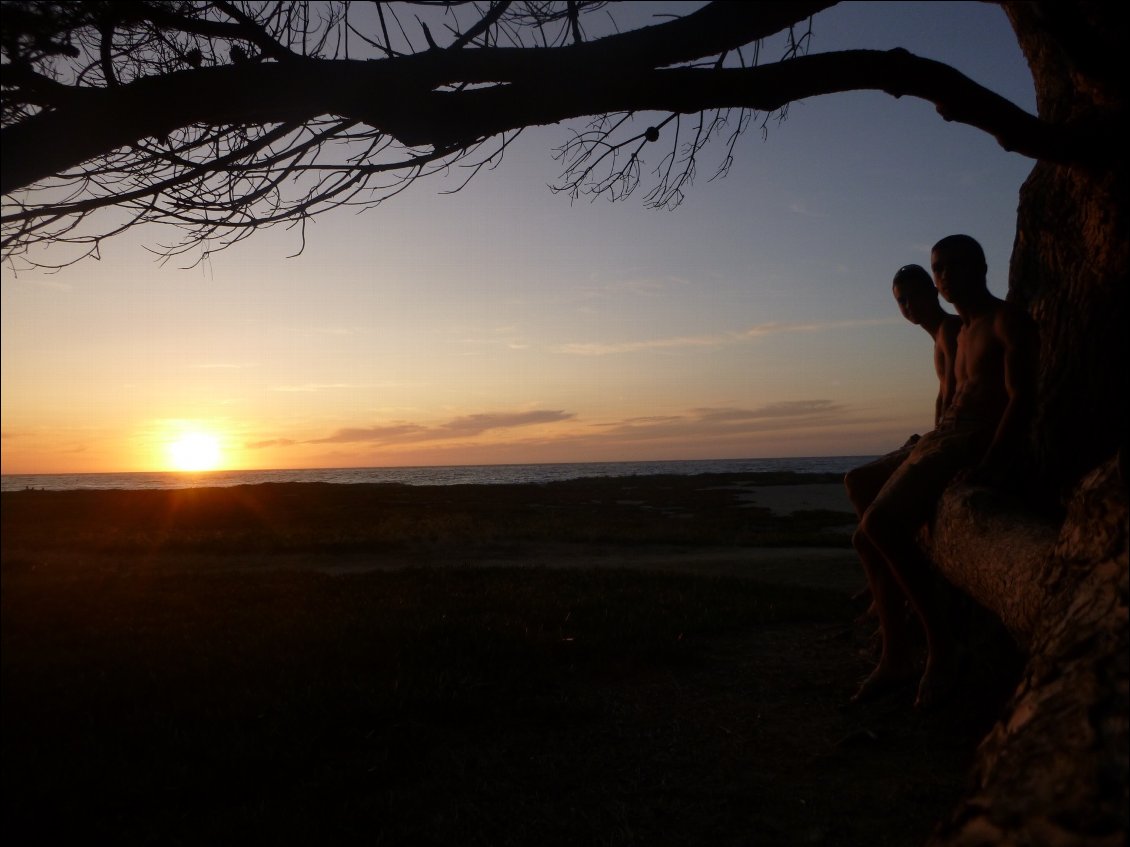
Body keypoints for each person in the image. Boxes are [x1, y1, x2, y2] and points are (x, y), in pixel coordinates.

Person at [852, 234, 1038, 708]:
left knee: (877, 524)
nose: (946, 275)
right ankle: (895, 653)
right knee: (863, 529)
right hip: (945, 436)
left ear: (981, 266)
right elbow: (948, 402)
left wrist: (993, 465)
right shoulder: (960, 331)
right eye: (939, 267)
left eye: (955, 265)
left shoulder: (1005, 321)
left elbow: (1021, 400)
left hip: (971, 437)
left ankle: (941, 645)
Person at [844, 265, 961, 611]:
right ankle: (883, 579)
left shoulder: (952, 330)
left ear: (934, 293)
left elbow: (954, 398)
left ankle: (888, 583)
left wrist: (932, 440)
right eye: (902, 301)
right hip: (941, 438)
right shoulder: (938, 335)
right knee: (857, 485)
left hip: (952, 444)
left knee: (861, 489)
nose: (909, 306)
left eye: (915, 296)